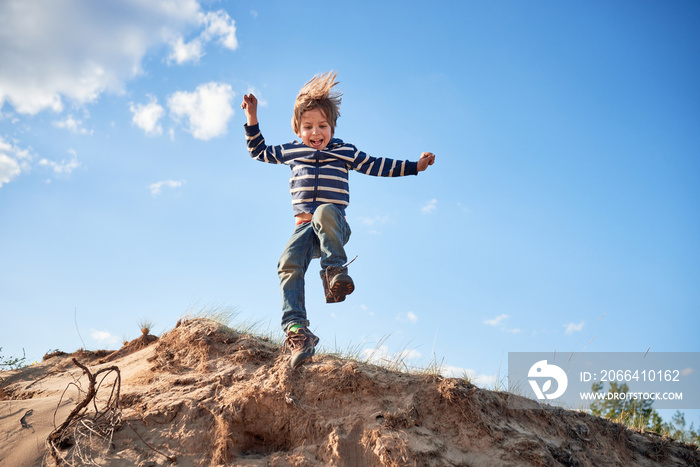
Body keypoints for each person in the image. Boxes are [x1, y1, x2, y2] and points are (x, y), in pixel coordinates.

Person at [241, 71, 435, 369]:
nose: (315, 132)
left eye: (322, 126)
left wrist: (415, 166)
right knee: (287, 264)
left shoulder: (344, 151)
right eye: (308, 127)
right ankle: (297, 331)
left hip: (333, 226)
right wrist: (252, 118)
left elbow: (376, 165)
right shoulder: (293, 151)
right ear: (298, 129)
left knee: (324, 211)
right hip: (304, 229)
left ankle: (333, 272)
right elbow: (258, 151)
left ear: (332, 126)